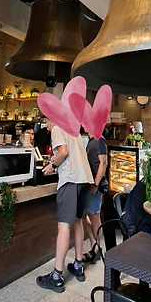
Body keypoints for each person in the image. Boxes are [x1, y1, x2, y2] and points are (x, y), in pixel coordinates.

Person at [37, 117, 93, 292]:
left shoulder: (56, 129)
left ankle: (56, 276)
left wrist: (52, 166)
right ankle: (78, 265)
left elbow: (63, 151)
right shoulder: (73, 129)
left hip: (70, 181)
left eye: (46, 121)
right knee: (77, 221)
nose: (46, 125)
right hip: (84, 179)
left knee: (63, 227)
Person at [82, 125, 109, 263]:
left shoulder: (99, 139)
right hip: (89, 184)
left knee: (94, 217)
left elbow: (103, 163)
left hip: (95, 186)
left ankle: (97, 248)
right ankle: (95, 246)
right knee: (83, 216)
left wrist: (95, 184)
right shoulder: (91, 140)